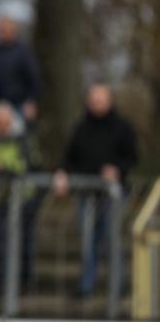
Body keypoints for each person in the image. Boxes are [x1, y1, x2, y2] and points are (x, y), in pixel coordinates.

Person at [52, 83, 138, 296]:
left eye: (101, 98)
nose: (97, 103)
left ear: (110, 100)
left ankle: (116, 286)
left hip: (113, 196)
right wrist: (62, 172)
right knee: (88, 241)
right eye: (94, 98)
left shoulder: (123, 128)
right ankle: (87, 285)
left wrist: (117, 170)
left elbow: (133, 158)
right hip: (86, 195)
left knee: (112, 239)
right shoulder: (80, 128)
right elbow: (68, 157)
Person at [0, 101, 34, 287]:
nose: (0, 126)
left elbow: (24, 166)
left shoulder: (23, 138)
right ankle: (3, 282)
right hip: (1, 198)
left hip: (22, 197)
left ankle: (24, 282)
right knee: (1, 240)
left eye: (3, 122)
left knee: (23, 240)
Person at [0, 16, 40, 125]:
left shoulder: (23, 52)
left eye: (8, 29)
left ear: (14, 31)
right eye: (2, 30)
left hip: (19, 104)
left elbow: (34, 78)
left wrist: (31, 101)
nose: (5, 32)